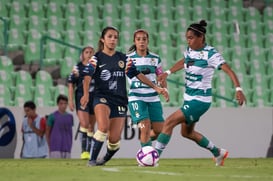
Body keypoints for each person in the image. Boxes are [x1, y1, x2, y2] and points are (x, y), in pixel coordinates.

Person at [155, 20, 246, 166]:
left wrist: (238, 89)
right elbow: (185, 60)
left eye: (191, 37)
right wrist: (167, 72)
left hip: (200, 100)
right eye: (187, 38)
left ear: (201, 37)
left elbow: (229, 70)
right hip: (189, 99)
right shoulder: (190, 50)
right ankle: (218, 153)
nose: (188, 41)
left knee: (169, 122)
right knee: (187, 133)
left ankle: (153, 158)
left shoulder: (211, 54)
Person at [80, 26, 169, 166]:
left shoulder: (124, 58)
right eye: (110, 36)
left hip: (119, 100)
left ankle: (104, 158)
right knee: (103, 127)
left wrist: (156, 87)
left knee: (114, 140)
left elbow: (137, 75)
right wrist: (85, 94)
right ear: (102, 39)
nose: (113, 39)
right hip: (102, 97)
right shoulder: (96, 58)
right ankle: (91, 160)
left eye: (115, 37)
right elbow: (86, 77)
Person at [127, 29, 168, 147]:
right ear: (134, 41)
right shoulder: (128, 59)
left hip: (153, 98)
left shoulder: (155, 58)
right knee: (145, 127)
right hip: (137, 97)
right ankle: (146, 158)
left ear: (148, 41)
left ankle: (144, 139)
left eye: (144, 39)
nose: (141, 42)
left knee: (160, 130)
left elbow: (161, 76)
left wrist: (165, 89)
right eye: (138, 39)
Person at [68, 45, 96, 160]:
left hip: (95, 98)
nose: (89, 54)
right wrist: (70, 100)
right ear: (82, 54)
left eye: (91, 52)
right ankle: (83, 150)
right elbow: (71, 84)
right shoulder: (77, 68)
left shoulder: (96, 67)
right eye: (87, 52)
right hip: (82, 98)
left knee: (91, 126)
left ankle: (88, 152)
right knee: (84, 123)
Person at [46, 94, 74, 159]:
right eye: (61, 103)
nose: (63, 105)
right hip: (55, 147)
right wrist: (50, 146)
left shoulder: (70, 117)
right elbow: (47, 132)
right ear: (58, 104)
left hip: (67, 146)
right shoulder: (52, 116)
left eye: (65, 103)